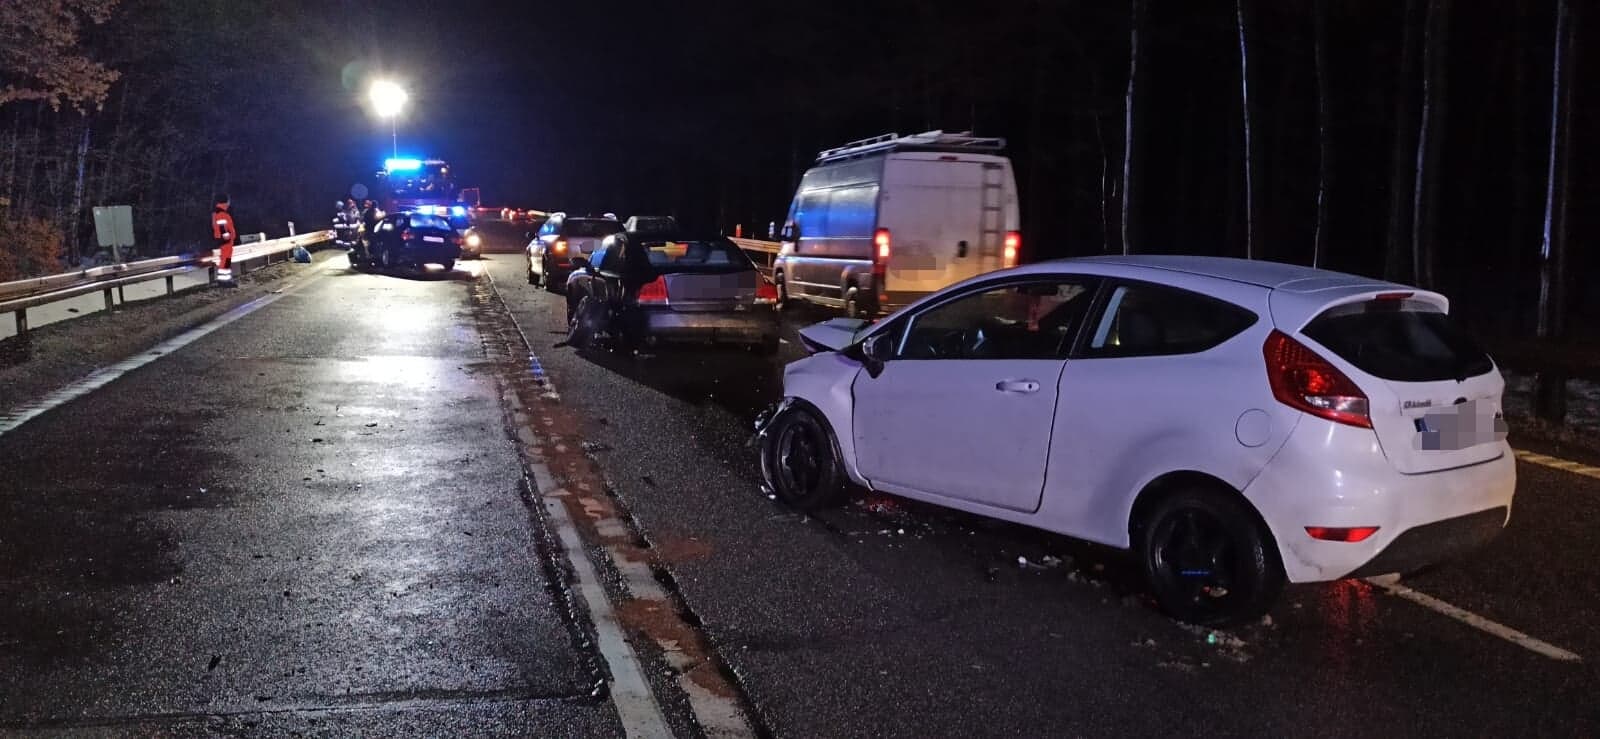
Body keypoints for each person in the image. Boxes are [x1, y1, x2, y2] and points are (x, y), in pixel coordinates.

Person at [211, 193, 237, 285]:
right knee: (225, 260)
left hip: (225, 241)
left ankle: (225, 279)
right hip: (226, 241)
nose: (230, 203)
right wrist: (227, 237)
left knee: (225, 260)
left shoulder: (219, 212)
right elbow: (222, 226)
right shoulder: (221, 213)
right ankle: (225, 281)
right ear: (225, 201)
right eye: (228, 201)